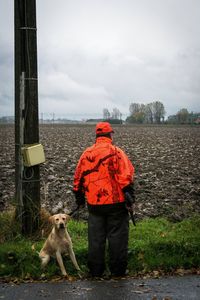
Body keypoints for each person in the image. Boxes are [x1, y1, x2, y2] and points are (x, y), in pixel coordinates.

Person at [73, 122, 135, 277]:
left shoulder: (86, 154)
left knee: (96, 238)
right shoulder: (116, 152)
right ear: (110, 135)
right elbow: (126, 175)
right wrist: (129, 194)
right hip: (116, 203)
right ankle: (118, 271)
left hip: (95, 204)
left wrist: (79, 197)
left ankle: (96, 271)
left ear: (97, 135)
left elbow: (78, 178)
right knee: (117, 238)